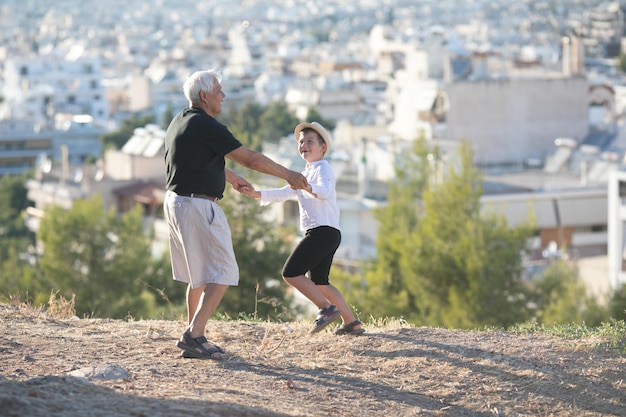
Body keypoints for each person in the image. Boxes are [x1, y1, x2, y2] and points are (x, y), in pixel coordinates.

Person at [163, 69, 309, 360]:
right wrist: (289, 175)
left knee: (199, 274)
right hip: (197, 205)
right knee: (224, 270)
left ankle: (196, 332)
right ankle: (193, 335)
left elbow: (192, 162)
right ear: (204, 96)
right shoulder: (207, 125)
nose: (223, 96)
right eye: (219, 90)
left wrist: (229, 178)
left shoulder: (180, 121)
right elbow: (251, 158)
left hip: (176, 201)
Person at [241, 122, 365, 336]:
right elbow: (283, 193)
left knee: (290, 273)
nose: (304, 145)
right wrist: (257, 194)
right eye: (301, 142)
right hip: (326, 233)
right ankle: (351, 322)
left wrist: (306, 186)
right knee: (321, 282)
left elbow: (324, 192)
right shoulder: (304, 173)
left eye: (310, 142)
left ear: (323, 147)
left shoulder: (323, 168)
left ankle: (326, 309)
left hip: (322, 232)